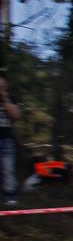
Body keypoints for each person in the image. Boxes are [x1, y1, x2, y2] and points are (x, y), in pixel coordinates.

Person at [0, 76, 21, 205]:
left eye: (2, 86)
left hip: (7, 139)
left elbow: (16, 115)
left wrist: (5, 97)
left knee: (8, 168)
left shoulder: (10, 98)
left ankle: (10, 195)